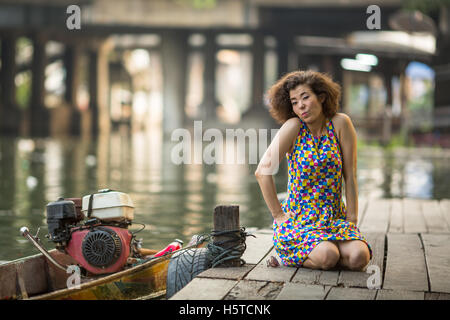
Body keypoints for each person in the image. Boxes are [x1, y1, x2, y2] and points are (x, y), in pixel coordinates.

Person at [255, 70, 372, 271]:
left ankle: (320, 253)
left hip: (334, 218)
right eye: (294, 102)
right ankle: (287, 256)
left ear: (322, 97)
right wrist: (279, 216)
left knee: (360, 257)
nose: (300, 105)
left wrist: (351, 219)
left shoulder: (341, 124)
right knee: (328, 256)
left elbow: (350, 175)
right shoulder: (293, 127)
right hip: (299, 222)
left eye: (305, 97)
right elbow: (262, 171)